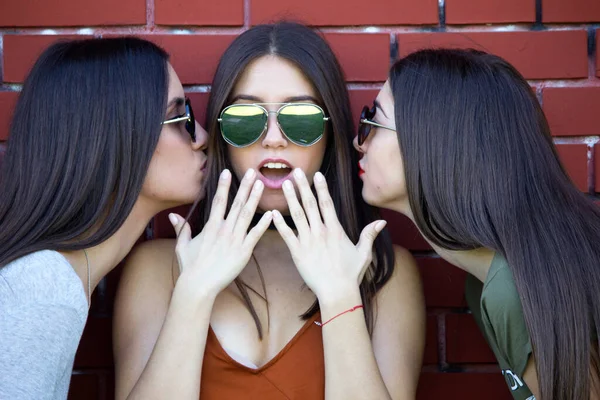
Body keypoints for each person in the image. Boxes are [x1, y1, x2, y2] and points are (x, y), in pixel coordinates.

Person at [114, 21, 425, 400]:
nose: (274, 139)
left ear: (330, 137)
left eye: (302, 120)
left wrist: (340, 296)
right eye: (246, 119)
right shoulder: (157, 267)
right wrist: (193, 295)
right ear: (221, 135)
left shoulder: (383, 271)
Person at [354, 48, 600, 400]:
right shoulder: (487, 283)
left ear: (431, 141)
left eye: (371, 121)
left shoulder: (513, 290)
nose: (358, 142)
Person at [0, 36, 225, 399]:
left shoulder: (54, 280)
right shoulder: (42, 292)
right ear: (117, 134)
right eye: (179, 116)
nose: (201, 137)